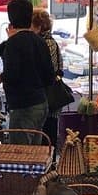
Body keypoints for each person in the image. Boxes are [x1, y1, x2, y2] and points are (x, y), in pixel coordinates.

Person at [0, 0, 55, 144]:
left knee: (21, 155)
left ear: (10, 18)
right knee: (35, 154)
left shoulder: (14, 43)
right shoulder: (40, 41)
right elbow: (50, 76)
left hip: (23, 106)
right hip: (41, 104)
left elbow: (12, 75)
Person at [32, 8, 67, 149]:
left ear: (39, 26)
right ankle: (49, 164)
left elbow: (46, 71)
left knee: (47, 133)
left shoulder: (45, 43)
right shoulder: (49, 41)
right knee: (48, 131)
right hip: (50, 94)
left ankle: (49, 165)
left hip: (48, 96)